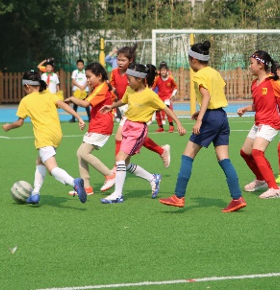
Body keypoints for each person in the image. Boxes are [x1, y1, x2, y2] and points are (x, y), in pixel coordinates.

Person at [159, 40, 245, 213]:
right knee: (224, 159)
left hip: (210, 119)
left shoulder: (199, 75)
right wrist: (201, 112)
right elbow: (215, 95)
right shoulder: (214, 73)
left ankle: (178, 196)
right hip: (221, 116)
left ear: (193, 60)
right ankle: (237, 198)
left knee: (187, 156)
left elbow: (206, 96)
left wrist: (200, 119)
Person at [102, 61, 183, 203]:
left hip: (138, 130)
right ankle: (153, 178)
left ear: (139, 79)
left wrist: (178, 123)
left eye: (130, 79)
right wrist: (111, 106)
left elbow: (166, 109)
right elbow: (123, 101)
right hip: (127, 126)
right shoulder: (130, 90)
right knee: (125, 164)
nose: (128, 82)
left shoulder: (150, 95)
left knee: (120, 159)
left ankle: (117, 194)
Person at [3, 69, 86, 205]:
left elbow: (19, 122)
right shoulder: (49, 95)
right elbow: (64, 105)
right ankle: (35, 193)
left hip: (44, 137)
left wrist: (8, 127)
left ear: (27, 86)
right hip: (56, 134)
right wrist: (79, 118)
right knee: (40, 161)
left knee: (52, 169)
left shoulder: (26, 101)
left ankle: (74, 182)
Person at [236, 49, 280, 199]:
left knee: (257, 152)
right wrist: (246, 109)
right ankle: (261, 180)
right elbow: (258, 105)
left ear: (260, 65)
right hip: (259, 122)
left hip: (270, 122)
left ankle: (275, 189)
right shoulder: (254, 84)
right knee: (245, 152)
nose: (250, 66)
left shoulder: (272, 81)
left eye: (251, 63)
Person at [65, 61, 114, 198]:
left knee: (83, 152)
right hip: (96, 124)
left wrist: (71, 98)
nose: (87, 80)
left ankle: (110, 175)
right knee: (80, 153)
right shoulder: (100, 87)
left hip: (102, 125)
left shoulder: (101, 88)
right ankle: (86, 187)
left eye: (89, 77)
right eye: (86, 77)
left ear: (99, 76)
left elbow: (85, 103)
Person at [153, 63, 178, 132]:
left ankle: (171, 126)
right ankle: (161, 127)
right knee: (157, 111)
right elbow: (153, 87)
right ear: (160, 71)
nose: (163, 72)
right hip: (159, 97)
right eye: (162, 70)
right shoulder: (157, 78)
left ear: (167, 71)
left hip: (167, 97)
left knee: (167, 109)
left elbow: (175, 87)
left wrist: (172, 95)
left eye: (164, 70)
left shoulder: (170, 79)